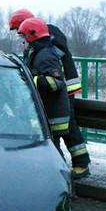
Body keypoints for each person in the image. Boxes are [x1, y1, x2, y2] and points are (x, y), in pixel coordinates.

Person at [10, 9, 90, 178]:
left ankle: (81, 164)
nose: (20, 35)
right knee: (60, 129)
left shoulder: (47, 38)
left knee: (69, 125)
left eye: (20, 30)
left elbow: (52, 63)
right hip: (57, 88)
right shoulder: (42, 40)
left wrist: (34, 78)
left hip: (63, 88)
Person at [17, 18, 71, 146]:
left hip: (52, 116)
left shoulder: (45, 55)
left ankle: (57, 167)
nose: (22, 42)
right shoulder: (39, 53)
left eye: (24, 38)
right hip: (48, 114)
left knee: (52, 150)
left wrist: (31, 81)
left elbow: (56, 83)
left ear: (32, 37)